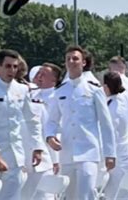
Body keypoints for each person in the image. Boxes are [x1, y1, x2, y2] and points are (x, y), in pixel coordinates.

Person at [45, 45, 116, 200]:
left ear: (83, 63)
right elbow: (51, 121)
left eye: (75, 58)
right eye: (68, 59)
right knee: (69, 195)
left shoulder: (94, 88)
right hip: (67, 152)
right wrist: (49, 137)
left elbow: (106, 123)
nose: (71, 61)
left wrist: (110, 154)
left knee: (86, 194)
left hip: (88, 151)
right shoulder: (60, 91)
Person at [0, 49, 43, 200]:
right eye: (7, 66)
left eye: (15, 66)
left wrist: (37, 147)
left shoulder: (22, 89)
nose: (11, 70)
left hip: (15, 155)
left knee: (12, 196)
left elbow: (32, 120)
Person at [102, 71, 128, 200]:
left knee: (117, 193)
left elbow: (111, 133)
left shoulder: (112, 108)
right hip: (124, 152)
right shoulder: (120, 100)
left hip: (117, 155)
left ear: (106, 87)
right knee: (123, 192)